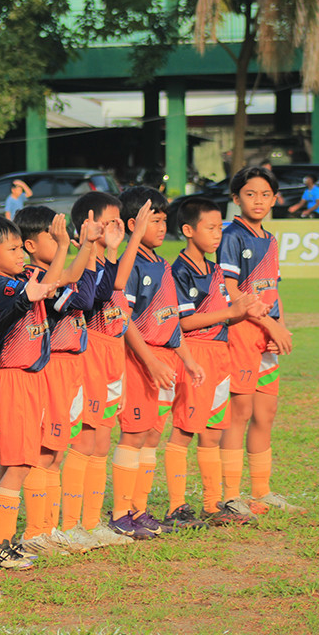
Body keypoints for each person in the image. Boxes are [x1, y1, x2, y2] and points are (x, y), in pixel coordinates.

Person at [111, 187, 204, 540]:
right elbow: (123, 318)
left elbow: (172, 321)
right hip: (139, 360)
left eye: (165, 220)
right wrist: (149, 361)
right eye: (155, 220)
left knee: (151, 435)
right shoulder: (131, 264)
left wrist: (188, 359)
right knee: (133, 434)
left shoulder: (163, 264)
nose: (163, 227)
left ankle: (139, 509)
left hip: (164, 360)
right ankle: (121, 514)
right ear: (133, 224)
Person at [167, 197, 265, 529]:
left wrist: (243, 313)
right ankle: (176, 506)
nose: (217, 235)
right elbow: (180, 324)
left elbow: (221, 319)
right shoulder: (178, 271)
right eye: (210, 228)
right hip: (195, 354)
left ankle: (212, 505)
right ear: (188, 230)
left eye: (219, 228)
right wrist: (229, 312)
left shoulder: (214, 270)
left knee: (212, 432)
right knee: (183, 431)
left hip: (221, 355)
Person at [13, 206, 103, 554]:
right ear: (31, 245)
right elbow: (83, 298)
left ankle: (48, 528)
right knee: (44, 450)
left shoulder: (58, 274)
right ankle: (36, 531)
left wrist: (88, 248)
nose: (61, 240)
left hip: (69, 366)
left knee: (56, 451)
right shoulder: (36, 278)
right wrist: (83, 251)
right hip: (49, 367)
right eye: (54, 236)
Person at [0, 216, 56, 570]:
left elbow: (53, 284)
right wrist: (65, 248)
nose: (21, 253)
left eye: (22, 247)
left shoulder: (22, 278)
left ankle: (8, 540)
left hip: (30, 377)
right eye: (13, 248)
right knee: (17, 463)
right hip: (13, 379)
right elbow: (38, 291)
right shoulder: (2, 283)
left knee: (22, 460)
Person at [218, 166, 303, 514]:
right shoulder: (231, 235)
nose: (258, 200)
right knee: (240, 412)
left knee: (265, 413)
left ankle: (261, 492)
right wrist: (270, 325)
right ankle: (231, 496)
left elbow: (272, 288)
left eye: (265, 194)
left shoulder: (269, 239)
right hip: (242, 332)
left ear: (275, 198)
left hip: (267, 333)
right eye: (250, 194)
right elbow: (231, 289)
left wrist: (279, 326)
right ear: (236, 198)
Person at [61, 192, 139, 547]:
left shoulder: (102, 260)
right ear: (87, 225)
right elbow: (94, 298)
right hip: (89, 352)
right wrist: (100, 249)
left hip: (111, 355)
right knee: (84, 440)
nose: (115, 228)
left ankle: (91, 523)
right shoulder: (80, 264)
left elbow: (114, 286)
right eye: (109, 222)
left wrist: (115, 247)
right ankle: (71, 523)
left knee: (101, 440)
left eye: (118, 222)